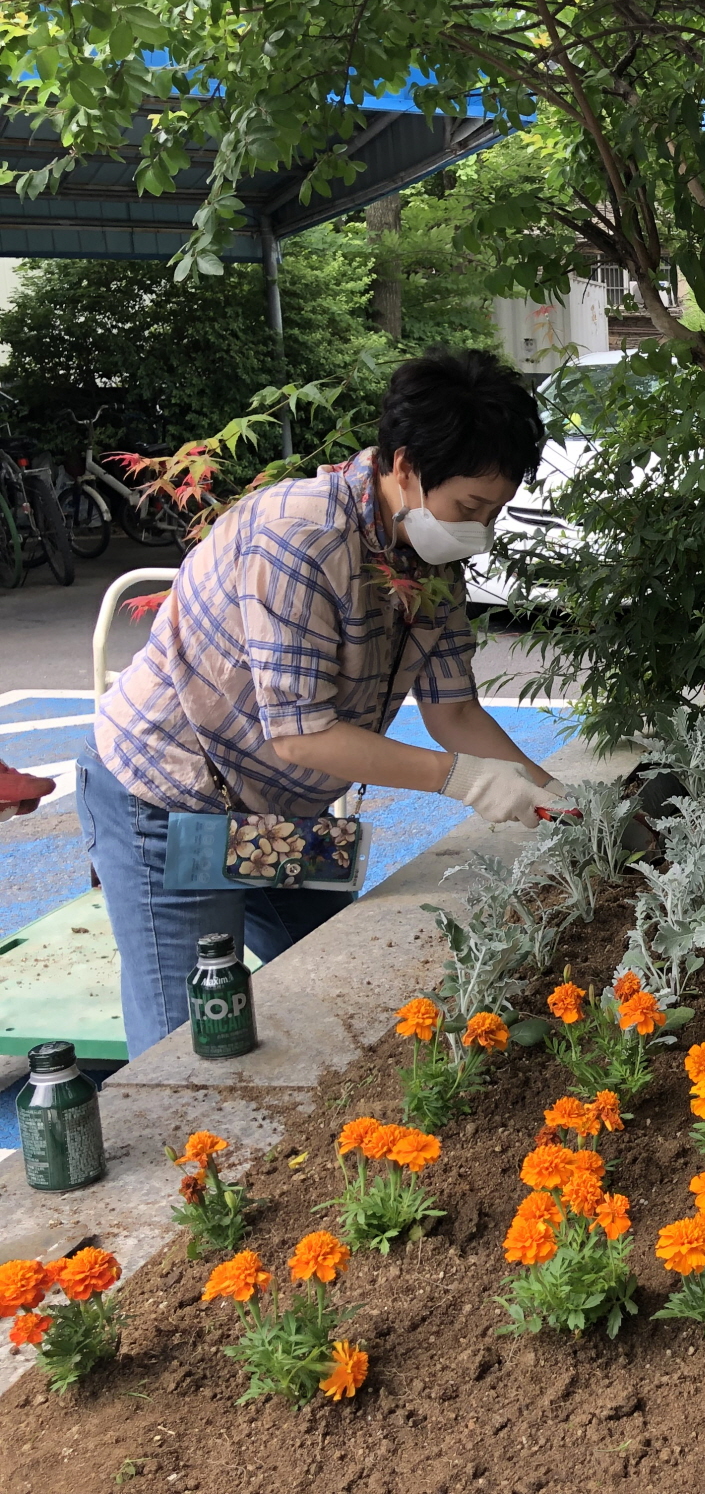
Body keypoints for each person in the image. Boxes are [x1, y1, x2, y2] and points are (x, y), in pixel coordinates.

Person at [78, 347, 567, 1059]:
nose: (480, 530)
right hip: (168, 795)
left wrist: (561, 800)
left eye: (495, 511)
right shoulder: (302, 537)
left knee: (352, 992)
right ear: (403, 467)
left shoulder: (427, 555)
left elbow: (454, 711)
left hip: (276, 812)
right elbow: (302, 738)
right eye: (470, 507)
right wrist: (460, 779)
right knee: (191, 1046)